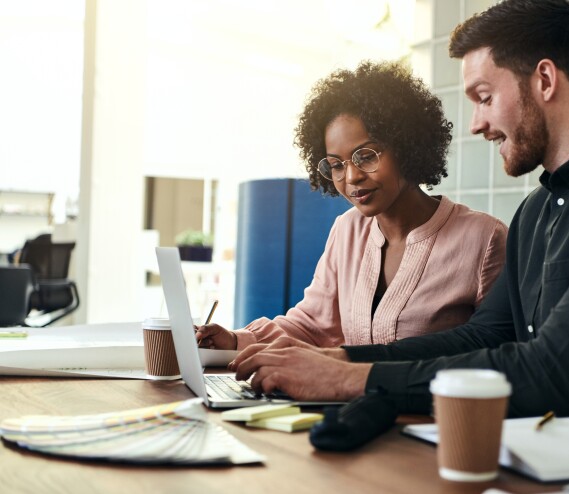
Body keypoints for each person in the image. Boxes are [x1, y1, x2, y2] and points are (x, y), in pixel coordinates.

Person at [228, 0, 569, 445]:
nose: (475, 124)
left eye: (484, 97)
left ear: (544, 79)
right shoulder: (537, 213)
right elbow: (482, 339)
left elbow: (551, 371)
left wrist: (348, 381)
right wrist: (339, 361)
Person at [197, 61, 507, 350]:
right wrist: (236, 340)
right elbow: (312, 324)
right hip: (352, 408)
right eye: (335, 165)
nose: (351, 177)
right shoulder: (347, 230)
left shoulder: (485, 238)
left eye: (367, 156)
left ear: (407, 146)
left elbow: (497, 351)